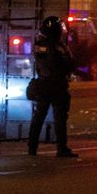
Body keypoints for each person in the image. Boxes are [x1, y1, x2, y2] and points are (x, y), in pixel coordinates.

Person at [28, 16, 75, 157]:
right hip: (57, 85)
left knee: (38, 117)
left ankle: (32, 147)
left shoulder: (39, 45)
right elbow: (68, 64)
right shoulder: (58, 46)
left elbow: (40, 64)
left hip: (43, 84)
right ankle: (61, 148)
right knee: (60, 118)